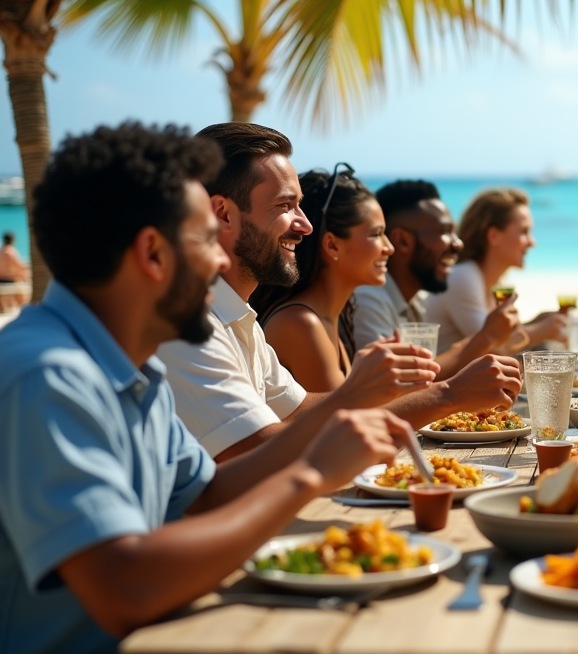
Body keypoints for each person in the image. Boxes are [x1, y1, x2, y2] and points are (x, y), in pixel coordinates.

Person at [0, 123, 417, 654]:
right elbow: (123, 587)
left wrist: (333, 437)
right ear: (152, 254)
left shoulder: (133, 368)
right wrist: (309, 474)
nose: (222, 261)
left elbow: (209, 494)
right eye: (203, 240)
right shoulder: (48, 374)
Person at [158, 123, 522, 463]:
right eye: (285, 206)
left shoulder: (239, 319)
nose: (306, 225)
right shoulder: (192, 327)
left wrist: (376, 388)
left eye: (300, 205)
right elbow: (255, 453)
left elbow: (300, 410)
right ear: (222, 213)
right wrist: (448, 395)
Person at [353, 179, 520, 378]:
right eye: (444, 232)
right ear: (402, 241)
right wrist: (487, 337)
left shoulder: (413, 300)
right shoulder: (369, 300)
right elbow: (397, 387)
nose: (458, 244)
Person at [249, 167, 395, 392]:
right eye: (377, 234)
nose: (389, 248)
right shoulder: (301, 323)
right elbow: (343, 421)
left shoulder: (326, 317)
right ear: (332, 245)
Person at [424, 187, 565, 353]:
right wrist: (539, 331)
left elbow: (493, 336)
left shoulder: (487, 280)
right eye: (524, 232)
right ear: (493, 236)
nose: (532, 242)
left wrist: (536, 324)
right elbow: (490, 347)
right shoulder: (462, 276)